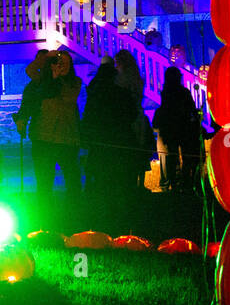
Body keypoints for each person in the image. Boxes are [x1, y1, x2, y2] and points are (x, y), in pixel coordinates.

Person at [13, 49, 82, 209]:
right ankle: (45, 215)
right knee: (44, 182)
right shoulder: (38, 83)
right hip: (43, 138)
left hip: (68, 138)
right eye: (58, 62)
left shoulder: (74, 82)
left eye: (65, 63)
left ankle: (74, 213)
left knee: (73, 181)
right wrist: (46, 59)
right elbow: (30, 75)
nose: (61, 66)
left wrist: (55, 78)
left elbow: (64, 96)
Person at [81, 62, 139, 193]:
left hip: (100, 142)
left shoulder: (94, 95)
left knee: (101, 181)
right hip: (120, 141)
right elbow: (132, 114)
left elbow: (88, 117)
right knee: (119, 181)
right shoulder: (122, 93)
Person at [153, 66, 201, 192]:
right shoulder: (183, 92)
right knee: (185, 156)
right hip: (183, 127)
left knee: (172, 156)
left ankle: (174, 183)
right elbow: (191, 108)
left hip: (171, 128)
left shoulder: (166, 93)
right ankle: (185, 183)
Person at [113, 49, 154, 190]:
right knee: (140, 148)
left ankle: (130, 183)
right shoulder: (137, 78)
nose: (116, 66)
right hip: (138, 115)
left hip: (128, 117)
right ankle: (140, 183)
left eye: (117, 63)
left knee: (130, 148)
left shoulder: (122, 79)